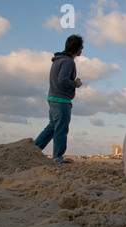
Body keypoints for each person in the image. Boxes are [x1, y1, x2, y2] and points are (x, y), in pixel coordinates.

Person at [35, 34, 84, 163]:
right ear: (77, 48)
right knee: (61, 129)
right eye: (81, 47)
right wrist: (76, 84)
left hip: (53, 97)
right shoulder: (68, 61)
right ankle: (58, 157)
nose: (82, 50)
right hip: (61, 99)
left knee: (52, 127)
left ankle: (33, 149)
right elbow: (62, 80)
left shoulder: (58, 60)